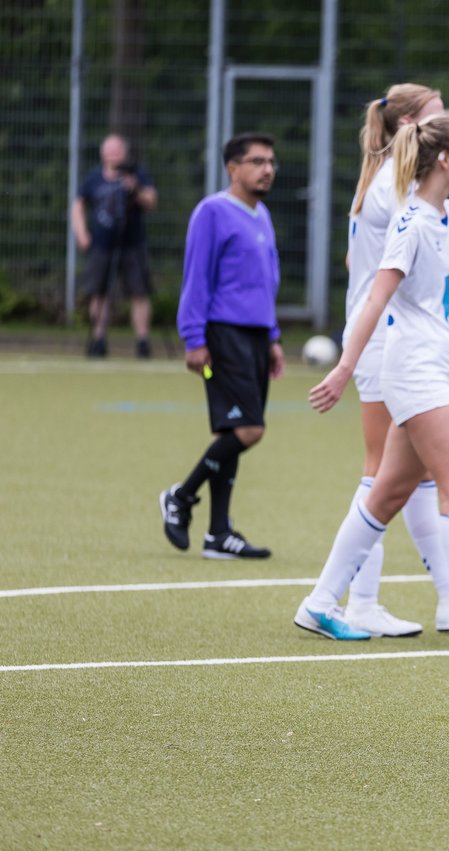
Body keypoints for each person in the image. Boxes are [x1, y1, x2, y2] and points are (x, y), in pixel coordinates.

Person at [297, 110, 449, 648]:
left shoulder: (447, 215)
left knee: (388, 493)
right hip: (413, 372)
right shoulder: (411, 223)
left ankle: (318, 603)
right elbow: (375, 299)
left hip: (435, 366)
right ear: (444, 160)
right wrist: (342, 367)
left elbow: (442, 302)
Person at [326, 82, 449, 640]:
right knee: (384, 472)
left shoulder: (386, 178)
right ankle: (352, 600)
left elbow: (363, 261)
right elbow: (387, 278)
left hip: (391, 333)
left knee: (413, 475)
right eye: (434, 118)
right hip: (385, 339)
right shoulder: (397, 187)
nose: (444, 126)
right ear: (409, 126)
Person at [158, 133, 284, 560]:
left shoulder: (261, 214)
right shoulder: (212, 212)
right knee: (249, 429)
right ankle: (181, 495)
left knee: (235, 430)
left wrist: (272, 337)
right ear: (233, 168)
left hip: (254, 338)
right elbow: (198, 278)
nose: (267, 169)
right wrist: (194, 339)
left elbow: (267, 282)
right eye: (256, 161)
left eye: (271, 162)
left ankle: (218, 534)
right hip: (221, 335)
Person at [71, 133, 157, 358]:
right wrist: (81, 233)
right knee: (99, 293)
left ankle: (142, 342)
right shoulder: (93, 178)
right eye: (110, 151)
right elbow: (78, 205)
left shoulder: (137, 175)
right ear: (103, 153)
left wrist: (135, 188)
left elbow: (151, 201)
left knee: (139, 292)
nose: (114, 155)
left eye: (118, 151)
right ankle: (98, 339)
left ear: (125, 153)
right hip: (101, 244)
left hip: (132, 244)